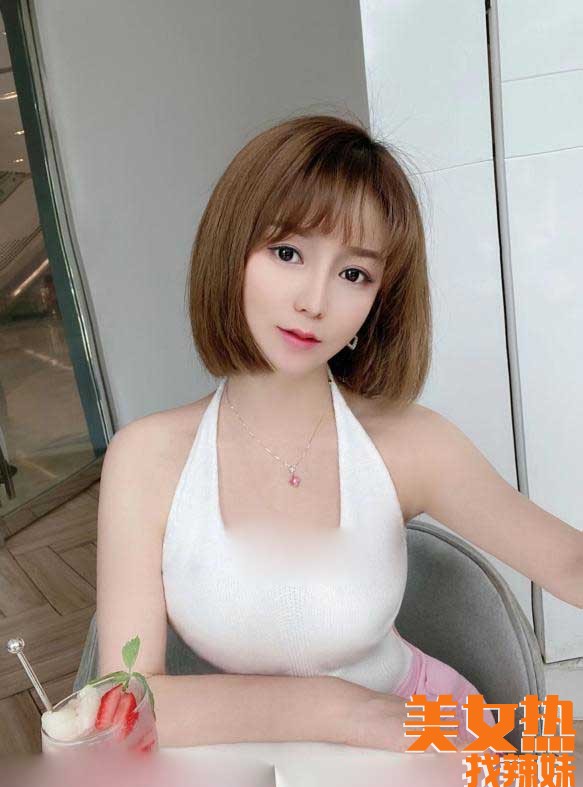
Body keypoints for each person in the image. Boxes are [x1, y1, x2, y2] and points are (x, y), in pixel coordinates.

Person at [96, 112, 582, 753]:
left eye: (354, 274)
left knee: (550, 772)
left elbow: (571, 564)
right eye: (288, 253)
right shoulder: (146, 458)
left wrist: (535, 750)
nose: (314, 301)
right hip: (278, 754)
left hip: (428, 730)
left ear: (377, 302)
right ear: (231, 253)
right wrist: (341, 709)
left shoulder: (410, 443)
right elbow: (124, 700)